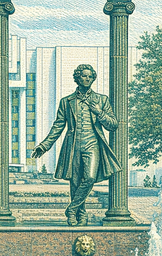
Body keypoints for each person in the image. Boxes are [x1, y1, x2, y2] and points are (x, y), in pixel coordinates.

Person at [32, 64, 121, 226]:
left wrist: (99, 112)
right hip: (72, 146)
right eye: (84, 76)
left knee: (90, 178)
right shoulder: (66, 102)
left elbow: (113, 125)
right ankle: (81, 215)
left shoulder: (102, 100)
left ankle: (71, 209)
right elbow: (58, 126)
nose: (87, 79)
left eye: (90, 76)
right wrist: (44, 145)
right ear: (77, 78)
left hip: (93, 145)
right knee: (75, 183)